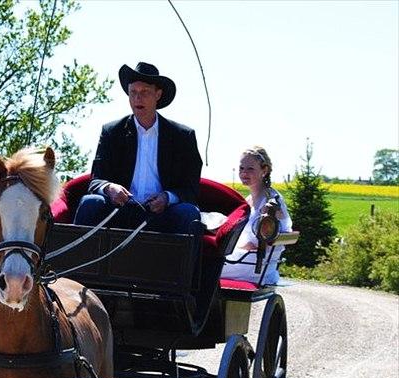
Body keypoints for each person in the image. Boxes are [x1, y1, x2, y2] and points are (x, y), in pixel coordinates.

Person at [73, 61, 203, 234]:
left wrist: (167, 197)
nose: (137, 98)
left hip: (162, 214)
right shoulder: (112, 132)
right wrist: (110, 188)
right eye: (132, 92)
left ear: (158, 94)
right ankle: (71, 260)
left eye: (144, 92)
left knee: (189, 213)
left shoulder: (182, 136)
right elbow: (96, 180)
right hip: (118, 211)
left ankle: (184, 262)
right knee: (90, 203)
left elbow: (191, 188)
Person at [221, 146, 292, 284]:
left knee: (205, 266)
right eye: (241, 168)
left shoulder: (272, 201)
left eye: (250, 169)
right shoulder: (248, 200)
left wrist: (248, 245)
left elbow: (275, 235)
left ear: (264, 171)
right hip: (242, 257)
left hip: (256, 264)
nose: (244, 173)